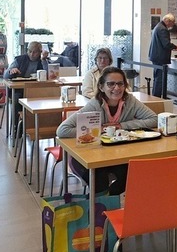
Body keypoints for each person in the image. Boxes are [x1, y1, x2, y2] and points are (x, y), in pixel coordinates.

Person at [56, 67, 157, 195]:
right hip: (86, 157)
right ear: (101, 87)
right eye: (111, 84)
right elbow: (62, 130)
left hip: (117, 155)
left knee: (132, 172)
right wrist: (101, 129)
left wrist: (121, 126)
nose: (117, 88)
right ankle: (100, 204)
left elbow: (154, 119)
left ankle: (109, 200)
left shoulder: (130, 101)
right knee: (99, 177)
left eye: (120, 83)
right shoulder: (95, 104)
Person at [148, 13, 177, 98]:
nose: (173, 25)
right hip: (160, 57)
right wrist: (175, 47)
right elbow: (166, 44)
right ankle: (157, 98)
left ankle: (155, 96)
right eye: (172, 22)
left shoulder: (158, 26)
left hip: (156, 56)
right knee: (159, 79)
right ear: (168, 21)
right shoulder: (163, 29)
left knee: (157, 77)